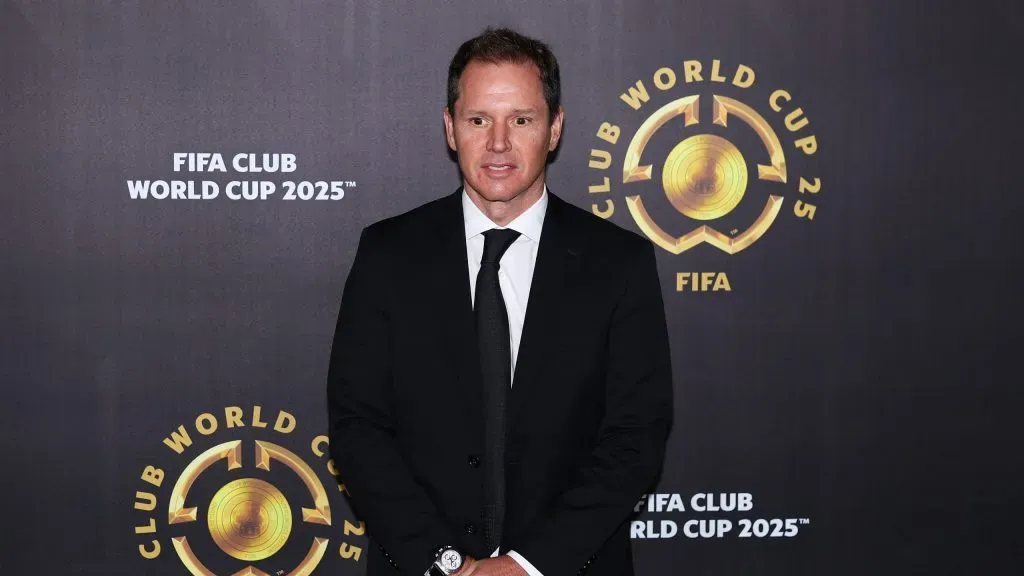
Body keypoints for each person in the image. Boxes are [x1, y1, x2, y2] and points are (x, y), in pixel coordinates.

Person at [327, 27, 673, 576]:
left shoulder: (619, 263)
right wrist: (444, 563)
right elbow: (358, 427)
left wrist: (528, 565)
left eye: (522, 120)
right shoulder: (388, 254)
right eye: (478, 120)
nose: (498, 144)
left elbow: (635, 439)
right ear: (450, 127)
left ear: (555, 128)